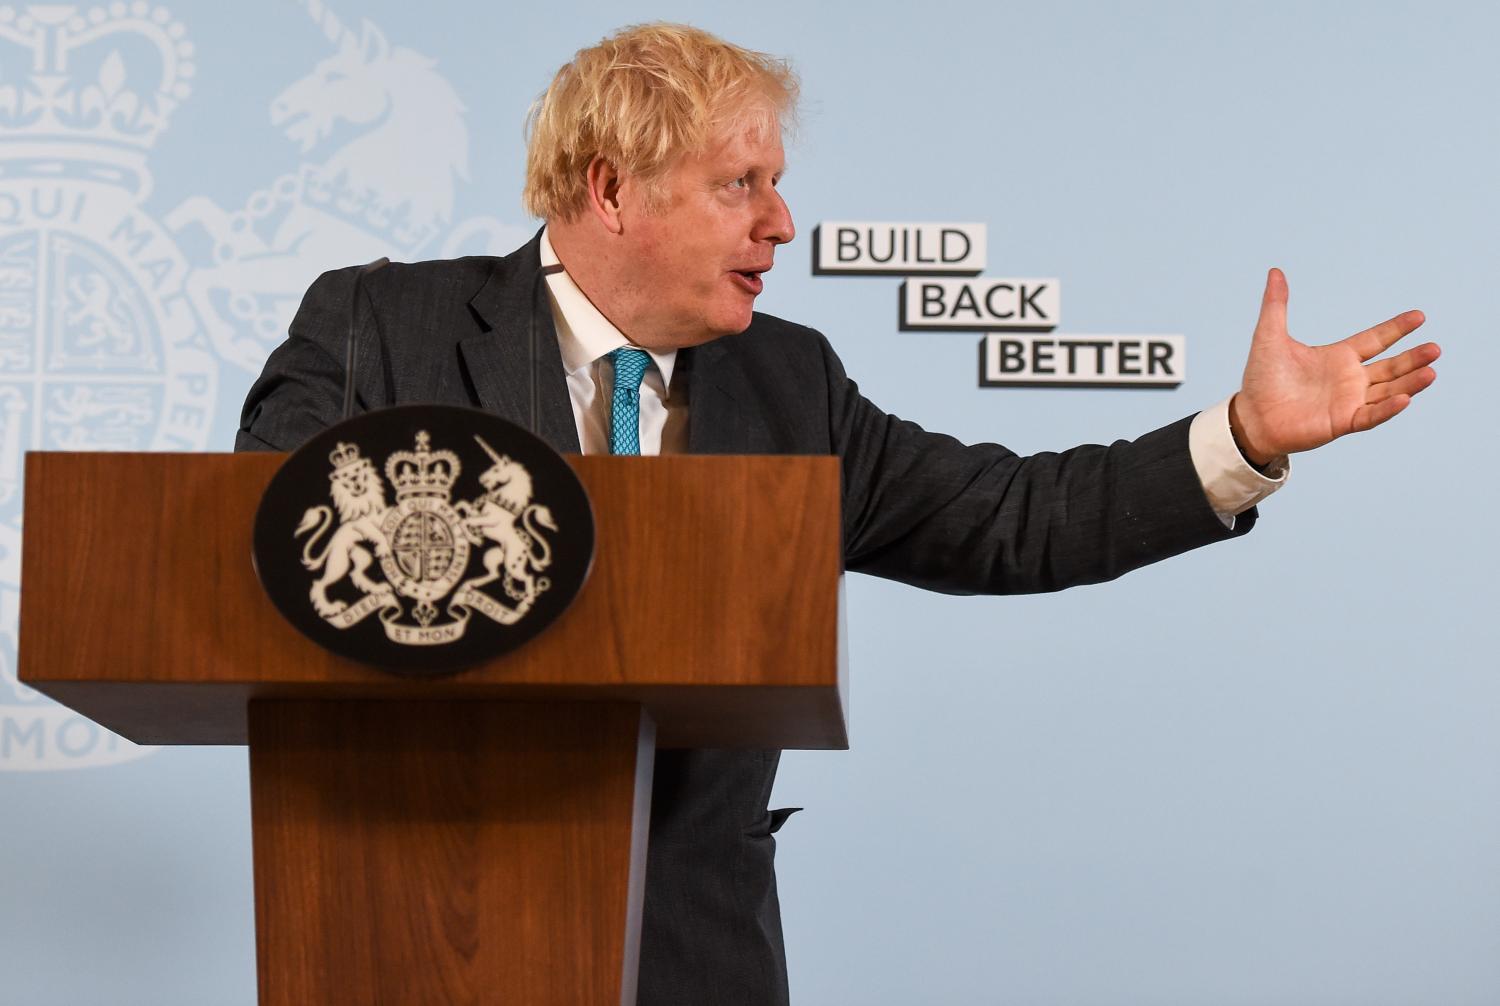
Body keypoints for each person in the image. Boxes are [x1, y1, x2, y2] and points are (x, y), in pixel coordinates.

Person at [236, 23, 1440, 1006]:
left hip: (699, 959)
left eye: (778, 185)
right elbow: (252, 553)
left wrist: (1244, 437)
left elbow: (1009, 516)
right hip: (415, 934)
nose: (781, 225)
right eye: (741, 185)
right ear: (612, 189)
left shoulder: (788, 377)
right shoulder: (377, 329)